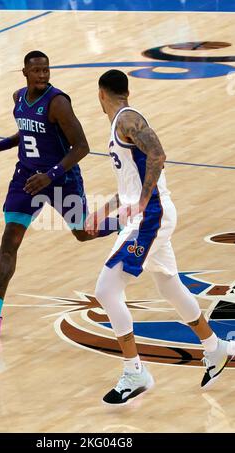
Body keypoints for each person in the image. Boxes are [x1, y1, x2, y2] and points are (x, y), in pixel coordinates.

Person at [85, 69, 235, 405]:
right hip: (147, 214)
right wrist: (107, 209)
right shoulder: (122, 124)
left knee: (106, 289)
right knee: (168, 285)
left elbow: (158, 155)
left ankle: (134, 370)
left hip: (150, 217)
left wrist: (141, 202)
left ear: (101, 94)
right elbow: (131, 181)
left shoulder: (127, 119)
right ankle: (215, 348)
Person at [0, 51, 118, 337]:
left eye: (46, 70)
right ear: (24, 72)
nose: (42, 75)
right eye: (36, 71)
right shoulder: (18, 98)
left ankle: (126, 224)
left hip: (61, 178)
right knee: (10, 237)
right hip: (26, 177)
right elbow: (27, 133)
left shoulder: (58, 102)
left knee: (83, 233)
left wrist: (50, 175)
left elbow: (82, 146)